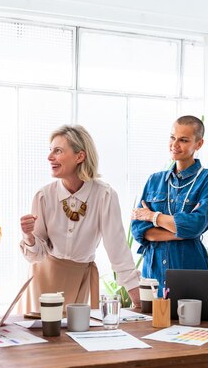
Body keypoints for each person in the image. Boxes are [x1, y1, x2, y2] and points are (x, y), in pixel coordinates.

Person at [131, 115, 208, 368]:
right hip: (154, 273)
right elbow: (135, 228)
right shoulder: (154, 180)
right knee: (162, 346)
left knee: (194, 345)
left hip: (191, 271)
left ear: (198, 143)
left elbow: (195, 226)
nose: (175, 144)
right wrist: (171, 229)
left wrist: (154, 218)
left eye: (183, 139)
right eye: (172, 137)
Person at [20, 124, 140, 312]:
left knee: (79, 338)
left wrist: (138, 299)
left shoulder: (104, 195)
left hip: (82, 280)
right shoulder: (43, 196)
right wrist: (28, 236)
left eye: (58, 151)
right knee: (40, 338)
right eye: (50, 151)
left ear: (80, 156)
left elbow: (117, 248)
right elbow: (37, 254)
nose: (50, 157)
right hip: (43, 281)